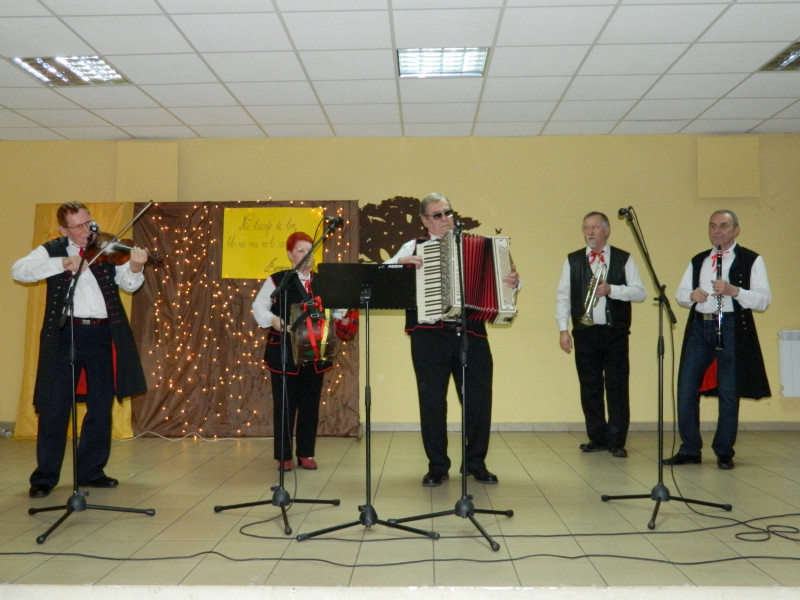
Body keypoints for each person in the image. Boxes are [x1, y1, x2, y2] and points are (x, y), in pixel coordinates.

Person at [12, 202, 149, 498]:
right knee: (55, 407)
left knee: (100, 405)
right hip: (65, 335)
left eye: (89, 223)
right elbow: (19, 271)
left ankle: (91, 471)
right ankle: (45, 477)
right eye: (78, 227)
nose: (86, 231)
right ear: (63, 229)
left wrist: (136, 267)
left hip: (102, 334)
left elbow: (128, 284)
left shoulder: (107, 248)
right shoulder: (52, 250)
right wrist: (62, 263)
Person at [385, 193, 520, 487]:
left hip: (471, 333)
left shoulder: (478, 246)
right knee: (432, 402)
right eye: (437, 215)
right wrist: (401, 264)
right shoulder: (413, 246)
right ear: (424, 220)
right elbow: (384, 274)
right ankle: (437, 466)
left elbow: (504, 280)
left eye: (447, 212)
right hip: (428, 337)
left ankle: (476, 462)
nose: (445, 219)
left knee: (478, 400)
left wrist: (513, 282)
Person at [663, 210, 771, 470]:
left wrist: (735, 291)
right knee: (686, 387)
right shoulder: (699, 259)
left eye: (723, 226)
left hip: (732, 326)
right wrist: (692, 295)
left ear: (736, 230)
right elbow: (680, 294)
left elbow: (764, 300)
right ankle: (690, 448)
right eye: (713, 226)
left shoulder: (751, 259)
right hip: (701, 326)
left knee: (728, 391)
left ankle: (724, 450)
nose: (717, 231)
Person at [253, 231, 351, 472]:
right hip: (284, 352)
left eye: (310, 251)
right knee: (284, 406)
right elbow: (259, 307)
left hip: (315, 353)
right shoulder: (278, 280)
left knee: (310, 405)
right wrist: (273, 320)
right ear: (289, 254)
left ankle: (306, 453)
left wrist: (344, 315)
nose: (307, 255)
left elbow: (338, 309)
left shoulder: (323, 281)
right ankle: (284, 455)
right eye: (301, 251)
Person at [556, 211, 647, 458]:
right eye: (586, 228)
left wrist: (612, 290)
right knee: (590, 386)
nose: (590, 232)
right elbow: (563, 296)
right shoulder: (573, 260)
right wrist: (563, 329)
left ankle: (616, 440)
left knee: (617, 386)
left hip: (615, 332)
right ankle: (597, 437)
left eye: (595, 227)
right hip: (585, 332)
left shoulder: (623, 258)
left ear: (606, 230)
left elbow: (640, 293)